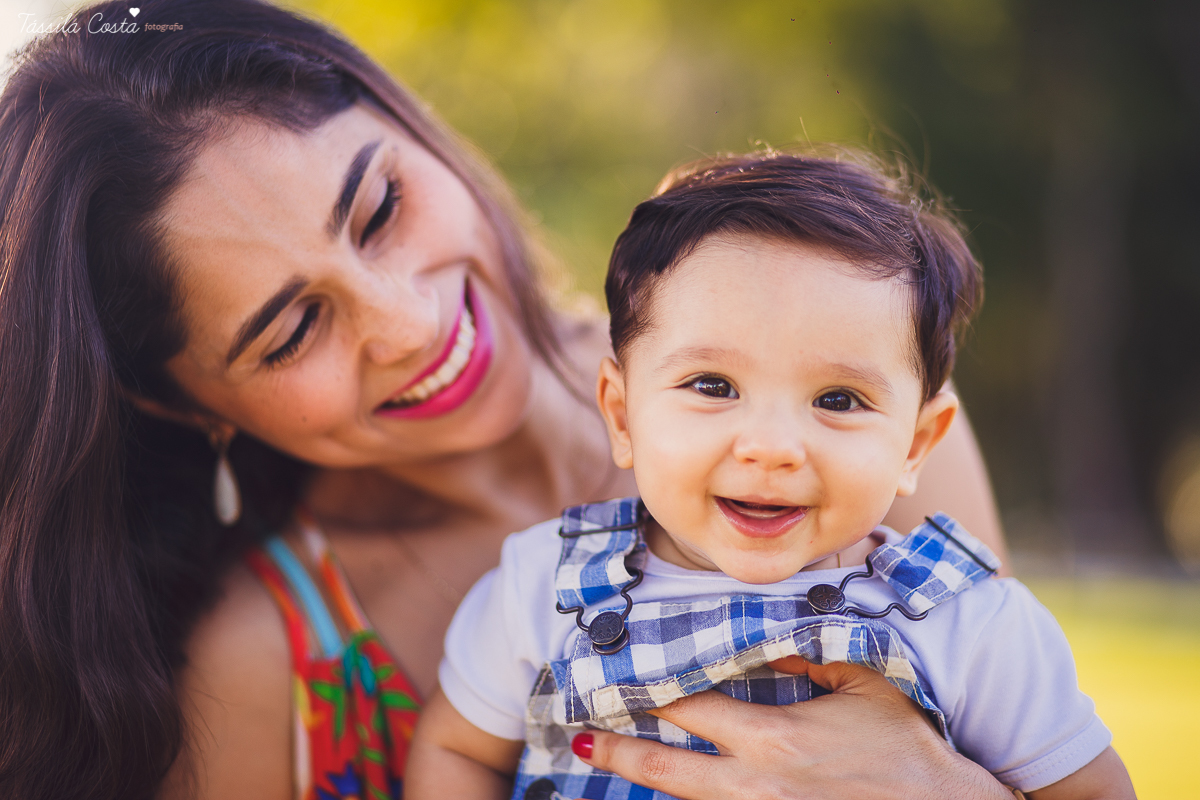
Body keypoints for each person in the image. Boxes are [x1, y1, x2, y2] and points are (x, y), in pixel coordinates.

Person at [0, 2, 1015, 799]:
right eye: (292, 329)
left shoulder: (841, 408)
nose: (406, 323)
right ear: (187, 405)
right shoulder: (269, 668)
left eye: (380, 207)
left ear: (411, 124)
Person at [406, 153, 1135, 800]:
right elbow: (458, 751)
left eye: (838, 400)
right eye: (713, 385)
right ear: (623, 417)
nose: (771, 447)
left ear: (917, 444)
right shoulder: (543, 587)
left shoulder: (965, 624)